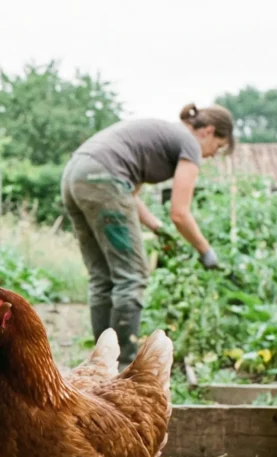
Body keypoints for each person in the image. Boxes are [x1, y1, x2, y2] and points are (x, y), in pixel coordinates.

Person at [61, 103, 235, 365]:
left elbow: (128, 195)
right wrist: (206, 251)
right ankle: (122, 367)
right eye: (218, 147)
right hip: (103, 178)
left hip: (75, 175)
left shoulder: (163, 135)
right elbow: (180, 213)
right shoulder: (189, 143)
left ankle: (99, 366)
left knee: (102, 277)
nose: (212, 155)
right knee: (131, 276)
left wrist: (157, 228)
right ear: (208, 131)